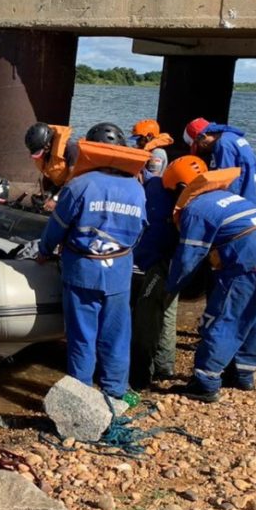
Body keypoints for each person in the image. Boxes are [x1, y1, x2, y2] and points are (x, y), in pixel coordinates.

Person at [162, 156, 256, 403]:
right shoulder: (230, 198)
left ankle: (205, 383)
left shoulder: (196, 209)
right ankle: (243, 375)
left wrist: (170, 289)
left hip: (249, 266)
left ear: (181, 187)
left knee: (223, 320)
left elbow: (188, 258)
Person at [38, 122, 148, 399]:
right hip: (119, 272)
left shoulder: (79, 185)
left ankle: (80, 394)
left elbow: (57, 227)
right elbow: (141, 230)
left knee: (82, 336)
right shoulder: (136, 189)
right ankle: (114, 393)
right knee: (116, 336)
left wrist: (44, 250)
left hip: (82, 271)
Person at [129, 157, 181, 388]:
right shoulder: (164, 190)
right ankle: (164, 366)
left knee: (146, 319)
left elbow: (146, 230)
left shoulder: (152, 190)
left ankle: (141, 375)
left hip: (159, 264)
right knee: (167, 312)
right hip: (175, 261)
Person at [183, 117, 256, 216]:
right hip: (255, 197)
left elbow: (225, 183)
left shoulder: (223, 145)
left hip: (244, 204)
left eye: (198, 146)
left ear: (202, 136)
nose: (201, 150)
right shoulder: (232, 137)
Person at [24, 121, 76, 211]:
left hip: (74, 190)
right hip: (60, 187)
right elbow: (51, 173)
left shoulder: (71, 149)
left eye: (39, 152)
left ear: (47, 145)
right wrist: (45, 193)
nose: (40, 156)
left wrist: (55, 200)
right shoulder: (47, 154)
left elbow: (75, 181)